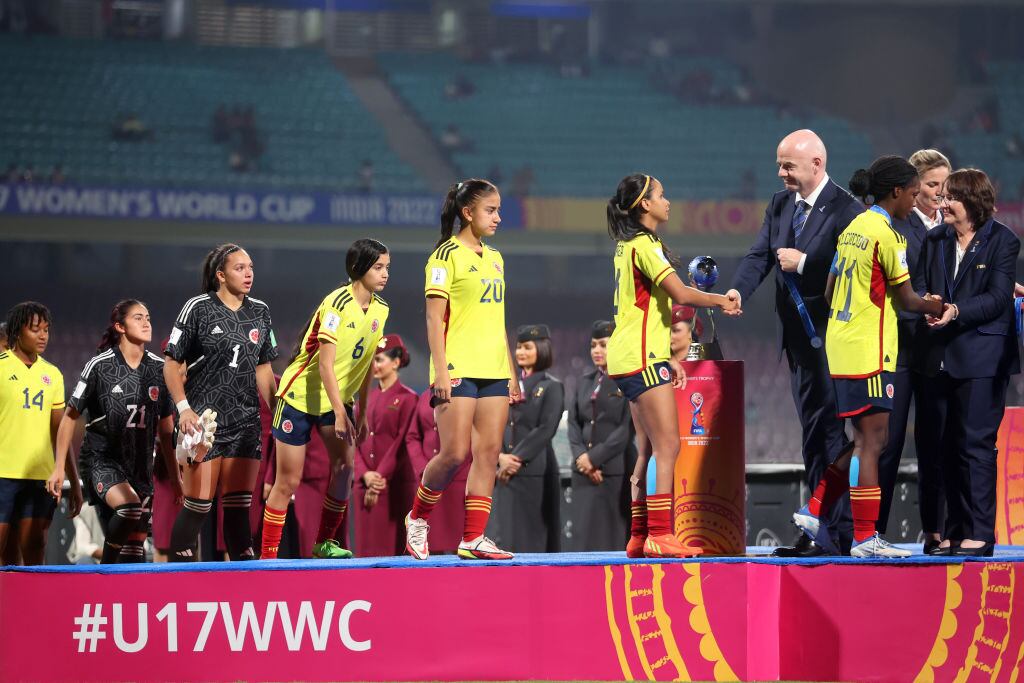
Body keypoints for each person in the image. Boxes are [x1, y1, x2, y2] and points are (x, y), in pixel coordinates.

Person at [790, 156, 946, 558]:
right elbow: (906, 297)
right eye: (913, 194)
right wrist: (936, 306)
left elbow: (828, 292)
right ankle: (864, 538)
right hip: (872, 350)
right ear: (897, 192)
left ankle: (815, 509)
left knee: (862, 439)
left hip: (841, 347)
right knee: (874, 442)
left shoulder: (853, 228)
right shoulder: (887, 235)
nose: (914, 202)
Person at [727, 129, 864, 557]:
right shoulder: (779, 204)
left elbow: (853, 268)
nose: (781, 173)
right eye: (779, 165)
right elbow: (759, 255)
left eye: (788, 165)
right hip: (799, 344)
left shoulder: (849, 209)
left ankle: (835, 530)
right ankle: (822, 529)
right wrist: (737, 292)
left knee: (829, 433)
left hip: (834, 340)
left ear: (817, 165)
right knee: (813, 434)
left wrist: (805, 261)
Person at [607, 173, 741, 558]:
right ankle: (661, 535)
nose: (668, 201)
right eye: (662, 195)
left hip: (632, 353)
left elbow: (641, 309)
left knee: (646, 447)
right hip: (640, 356)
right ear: (644, 205)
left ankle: (638, 535)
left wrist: (666, 356)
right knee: (669, 445)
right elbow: (680, 293)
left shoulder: (626, 245)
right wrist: (721, 300)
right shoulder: (646, 246)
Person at [405, 178, 521, 561]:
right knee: (454, 453)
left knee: (488, 453)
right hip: (457, 366)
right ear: (467, 212)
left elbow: (497, 319)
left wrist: (511, 372)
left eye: (499, 209)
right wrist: (439, 371)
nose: (498, 217)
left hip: (494, 369)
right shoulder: (444, 256)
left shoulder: (496, 258)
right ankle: (418, 518)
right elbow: (433, 318)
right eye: (491, 210)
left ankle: (472, 538)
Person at [262, 239, 391, 560]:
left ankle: (324, 542)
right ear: (359, 269)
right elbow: (325, 364)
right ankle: (267, 556)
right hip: (299, 397)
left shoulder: (381, 310)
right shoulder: (336, 303)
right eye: (378, 267)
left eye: (387, 267)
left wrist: (358, 414)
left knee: (345, 468)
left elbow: (365, 366)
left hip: (337, 401)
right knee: (288, 480)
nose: (385, 273)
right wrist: (340, 412)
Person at [917, 168, 1020, 557]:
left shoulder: (1002, 241)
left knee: (975, 446)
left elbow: (997, 299)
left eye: (950, 198)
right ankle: (953, 532)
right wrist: (930, 307)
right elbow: (929, 287)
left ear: (971, 202)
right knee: (944, 447)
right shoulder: (935, 239)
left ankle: (980, 533)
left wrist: (956, 310)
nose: (942, 204)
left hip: (982, 358)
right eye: (941, 197)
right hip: (939, 356)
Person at [164, 244, 279, 562]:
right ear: (220, 274)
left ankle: (243, 591)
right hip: (204, 422)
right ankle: (176, 589)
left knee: (240, 511)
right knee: (198, 506)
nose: (248, 273)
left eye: (251, 267)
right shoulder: (197, 307)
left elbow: (263, 369)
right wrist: (184, 408)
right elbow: (171, 365)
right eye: (240, 268)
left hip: (245, 423)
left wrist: (279, 413)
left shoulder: (261, 312)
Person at [51, 300, 176, 563]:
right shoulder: (99, 366)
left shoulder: (159, 370)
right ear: (120, 326)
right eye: (138, 318)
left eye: (148, 318)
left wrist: (176, 480)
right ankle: (104, 571)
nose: (146, 323)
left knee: (133, 554)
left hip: (141, 468)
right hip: (102, 460)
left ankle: (117, 595)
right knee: (129, 508)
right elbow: (69, 417)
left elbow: (166, 432)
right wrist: (59, 467)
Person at [877, 149, 951, 550]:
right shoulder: (897, 226)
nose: (940, 193)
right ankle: (875, 531)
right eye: (931, 185)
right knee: (887, 444)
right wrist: (924, 307)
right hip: (902, 346)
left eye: (944, 184)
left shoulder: (954, 225)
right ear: (911, 187)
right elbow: (896, 291)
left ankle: (935, 532)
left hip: (938, 347)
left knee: (934, 442)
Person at [0, 302, 82, 565]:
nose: (43, 335)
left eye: (46, 329)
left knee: (35, 550)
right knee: (5, 552)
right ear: (17, 331)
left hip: (40, 477)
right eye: (35, 329)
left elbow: (60, 432)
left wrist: (73, 479)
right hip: (3, 474)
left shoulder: (52, 374)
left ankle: (31, 606)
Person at [488, 324, 564, 553]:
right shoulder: (504, 386)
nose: (520, 352)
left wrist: (516, 458)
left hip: (533, 469)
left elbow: (545, 429)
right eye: (519, 347)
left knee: (532, 536)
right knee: (503, 534)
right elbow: (493, 424)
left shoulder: (551, 387)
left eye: (527, 347)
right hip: (501, 470)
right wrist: (500, 456)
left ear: (541, 349)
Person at [568, 320, 635, 551]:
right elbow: (573, 424)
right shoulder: (584, 381)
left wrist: (593, 458)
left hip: (614, 471)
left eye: (604, 345)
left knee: (613, 537)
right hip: (583, 473)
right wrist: (581, 458)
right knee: (583, 538)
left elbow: (626, 429)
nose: (597, 350)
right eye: (594, 345)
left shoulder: (628, 381)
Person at [354, 335, 418, 556]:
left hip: (392, 487)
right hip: (364, 486)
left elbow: (402, 443)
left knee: (392, 552)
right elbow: (354, 441)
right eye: (373, 361)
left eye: (380, 360)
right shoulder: (364, 398)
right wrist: (364, 474)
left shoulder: (409, 399)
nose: (375, 366)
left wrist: (379, 477)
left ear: (396, 362)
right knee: (364, 551)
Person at [406, 388, 466, 553]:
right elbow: (412, 436)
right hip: (428, 479)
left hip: (458, 476)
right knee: (428, 545)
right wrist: (423, 468)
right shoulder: (425, 395)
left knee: (459, 545)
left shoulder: (466, 392)